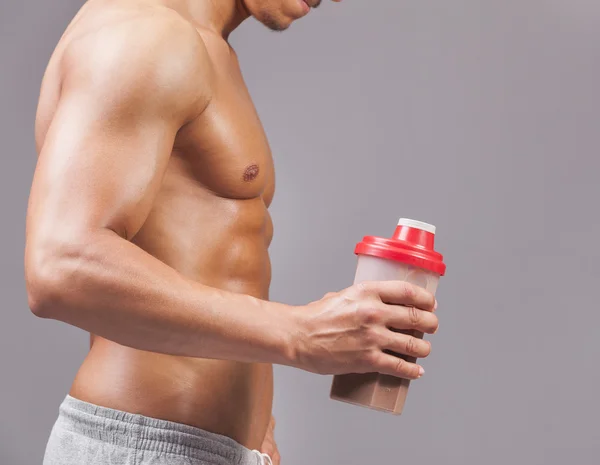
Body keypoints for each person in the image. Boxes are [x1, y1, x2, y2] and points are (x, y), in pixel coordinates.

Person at [25, 0, 440, 463]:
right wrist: (298, 333)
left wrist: (255, 429)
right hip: (142, 448)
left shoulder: (202, 47)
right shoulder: (143, 36)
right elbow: (61, 264)